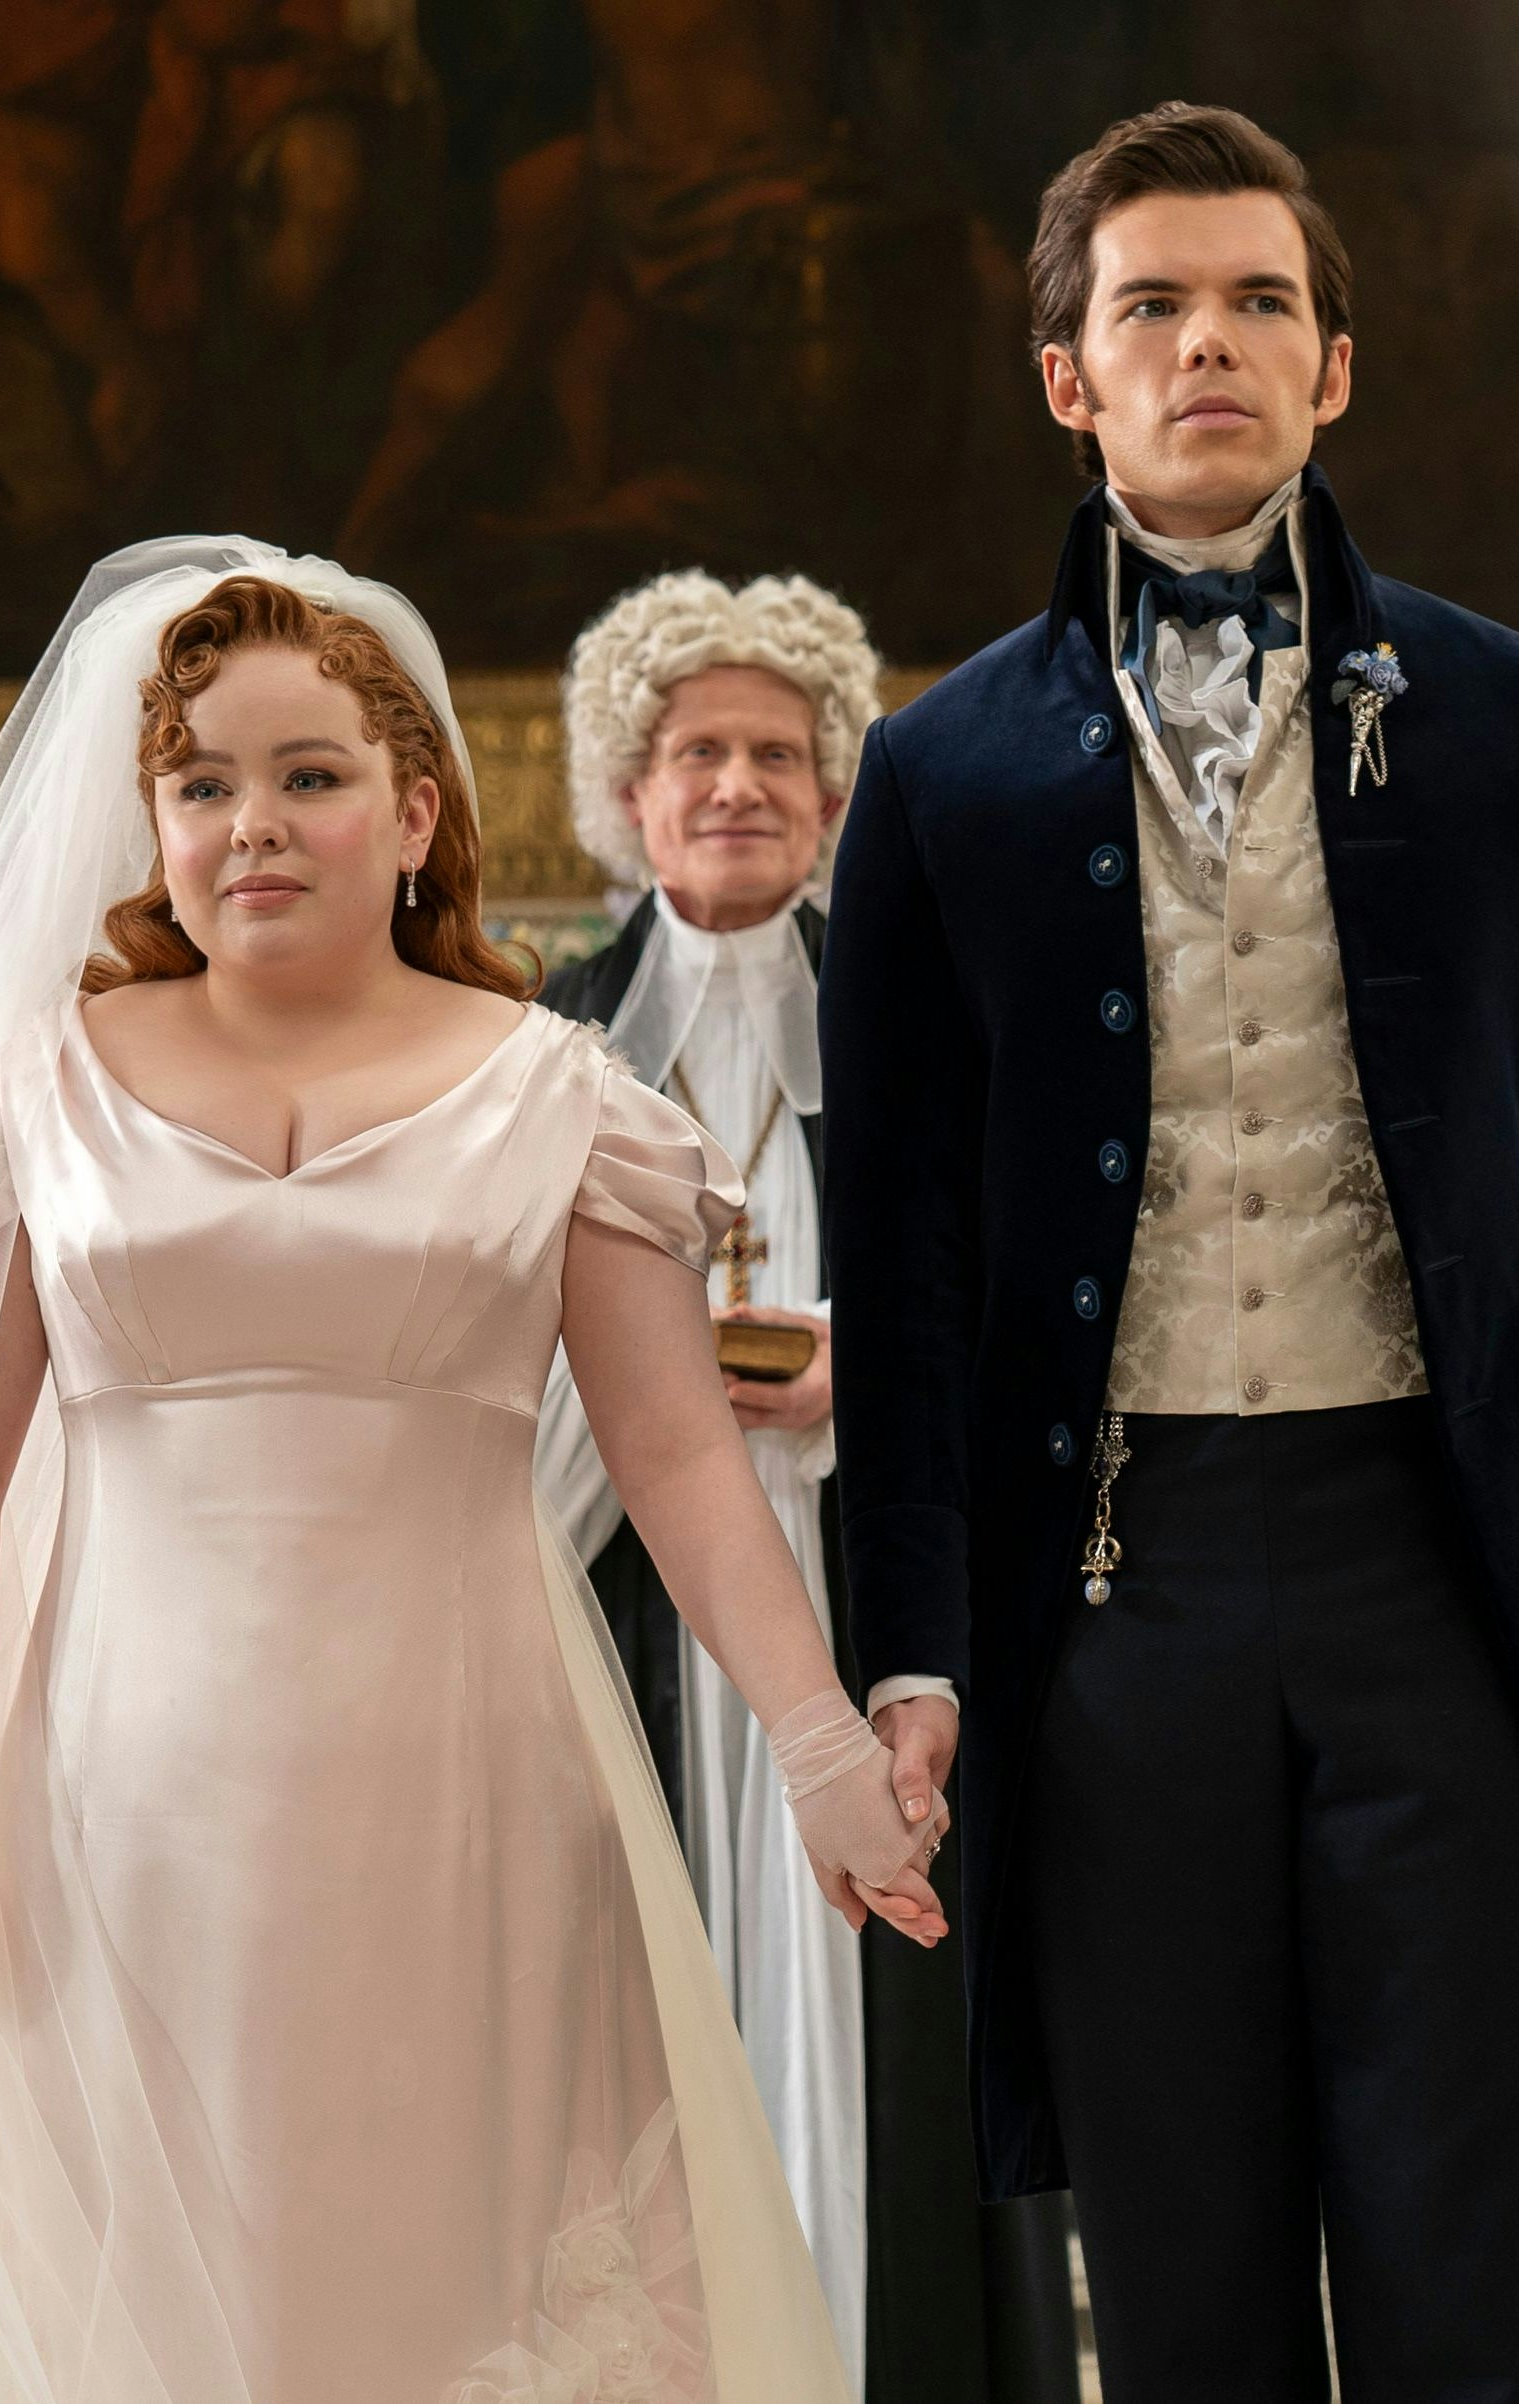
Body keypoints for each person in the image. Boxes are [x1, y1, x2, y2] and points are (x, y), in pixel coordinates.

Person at [0, 536, 948, 2403]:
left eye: (308, 776)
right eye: (201, 785)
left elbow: (679, 1461)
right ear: (154, 825)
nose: (252, 823)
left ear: (413, 815)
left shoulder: (567, 1099)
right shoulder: (31, 1093)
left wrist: (820, 1749)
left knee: (433, 2285)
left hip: (472, 1806)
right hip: (103, 1803)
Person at [819, 98, 1519, 2404]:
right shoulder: (935, 771)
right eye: (1151, 306)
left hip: (1437, 1562)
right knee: (1181, 2257)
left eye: (1257, 302)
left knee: (1470, 2241)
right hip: (1120, 1589)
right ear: (1068, 375)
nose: (1206, 340)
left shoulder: (1498, 712)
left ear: (1335, 368)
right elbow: (901, 1254)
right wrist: (909, 1644)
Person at [537, 569, 1081, 2404]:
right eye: (697, 753)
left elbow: (1045, 1294)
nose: (738, 786)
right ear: (628, 792)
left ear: (839, 795)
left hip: (881, 1593)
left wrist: (883, 1373)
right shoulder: (541, 1039)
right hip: (634, 1602)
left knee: (897, 2022)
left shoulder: (928, 1012)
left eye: (780, 754)